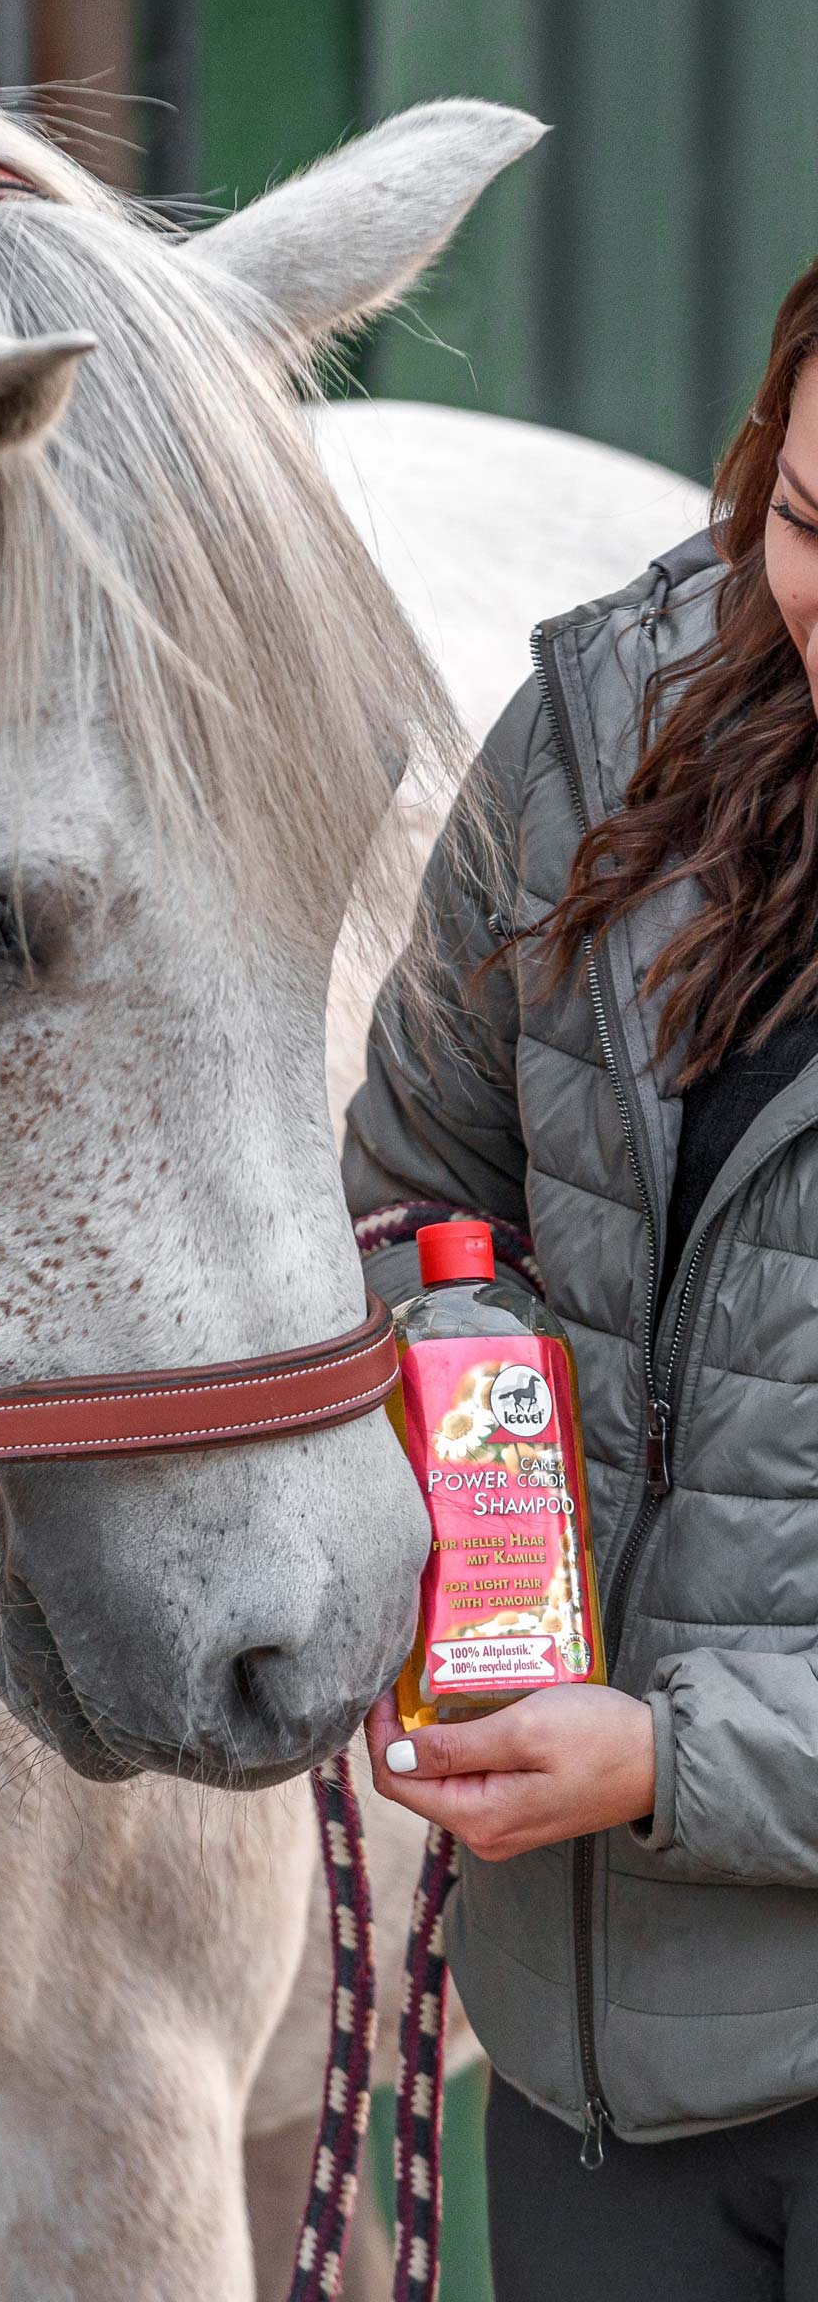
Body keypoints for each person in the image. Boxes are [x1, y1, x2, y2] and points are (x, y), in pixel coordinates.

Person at [345, 255, 818, 2301]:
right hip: (587, 2056)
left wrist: (665, 1759)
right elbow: (410, 1190)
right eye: (805, 523)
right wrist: (457, 1509)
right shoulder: (595, 736)